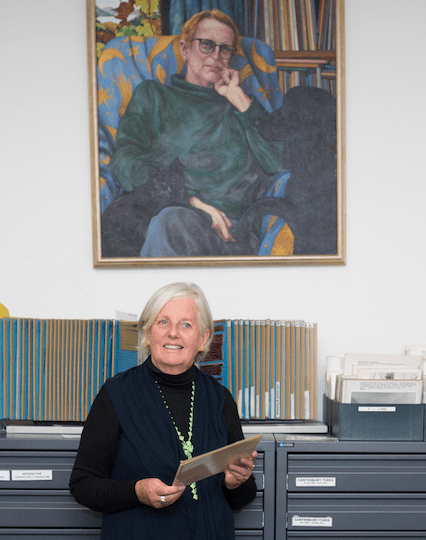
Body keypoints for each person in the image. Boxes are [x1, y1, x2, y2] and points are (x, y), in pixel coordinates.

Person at [69, 282, 257, 539]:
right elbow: (83, 485)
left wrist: (236, 482)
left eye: (186, 324)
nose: (173, 334)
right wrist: (136, 491)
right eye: (163, 322)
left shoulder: (219, 398)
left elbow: (241, 498)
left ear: (202, 339)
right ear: (147, 333)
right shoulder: (116, 394)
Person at [108, 10, 284, 257]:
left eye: (225, 50)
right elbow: (125, 160)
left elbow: (280, 164)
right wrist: (192, 203)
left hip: (230, 233)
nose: (215, 57)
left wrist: (241, 101)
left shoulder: (242, 106)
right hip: (166, 216)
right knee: (171, 222)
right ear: (185, 49)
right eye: (207, 45)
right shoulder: (153, 96)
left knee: (173, 224)